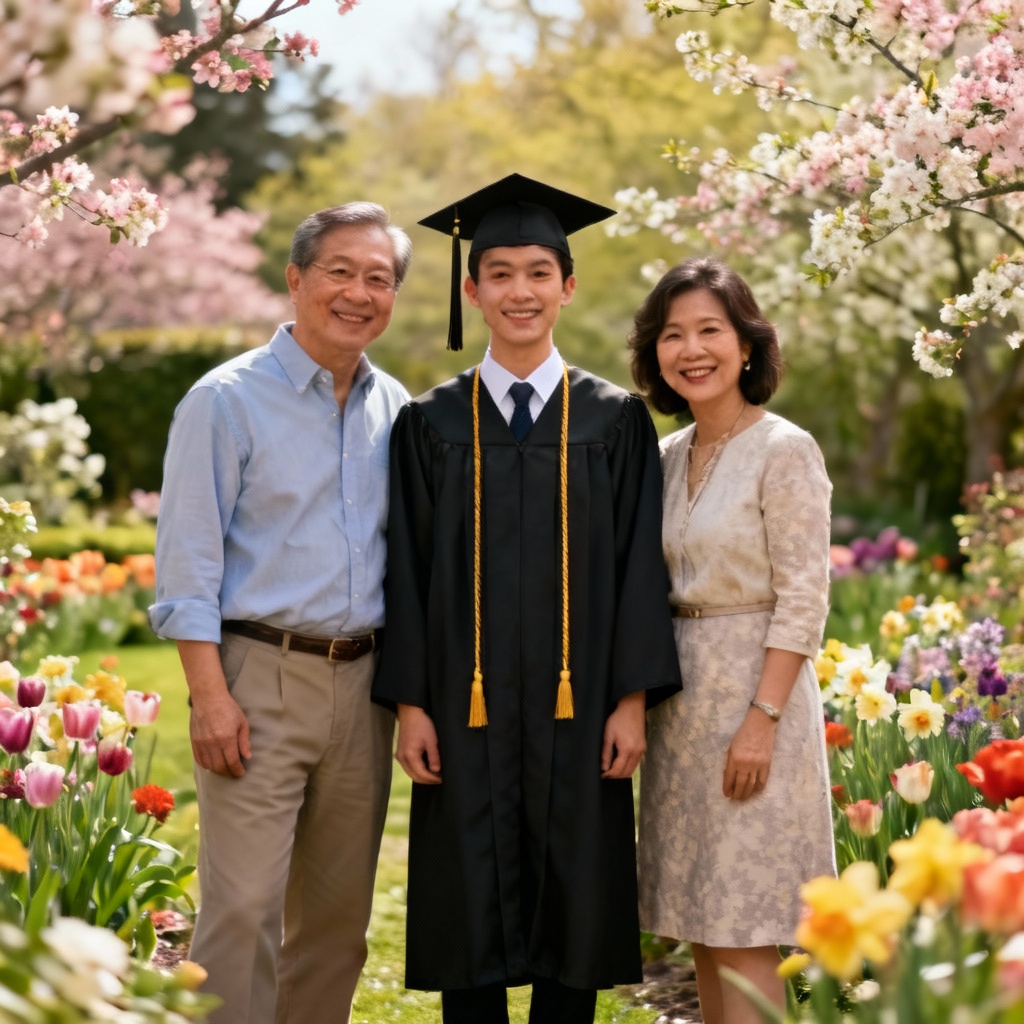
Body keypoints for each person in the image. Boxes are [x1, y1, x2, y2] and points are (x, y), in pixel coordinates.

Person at [372, 173, 681, 1024]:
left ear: (568, 287)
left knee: (572, 915)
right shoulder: (429, 425)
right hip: (460, 712)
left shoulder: (616, 423)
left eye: (538, 272)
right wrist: (409, 706)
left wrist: (630, 703)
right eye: (499, 273)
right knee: (469, 916)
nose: (519, 291)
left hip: (578, 714)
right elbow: (405, 572)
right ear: (470, 290)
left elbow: (637, 571)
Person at [149, 202, 413, 1024]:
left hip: (361, 686)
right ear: (297, 279)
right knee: (242, 912)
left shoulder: (393, 406)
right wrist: (210, 696)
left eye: (379, 278)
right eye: (340, 271)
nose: (359, 293)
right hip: (256, 682)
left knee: (337, 925)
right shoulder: (224, 401)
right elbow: (187, 562)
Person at [629, 257, 837, 1024]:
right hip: (681, 713)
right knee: (708, 932)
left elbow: (805, 598)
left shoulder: (784, 449)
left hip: (757, 705)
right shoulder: (665, 455)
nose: (692, 349)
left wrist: (763, 719)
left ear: (746, 343)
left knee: (748, 933)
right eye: (672, 334)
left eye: (709, 330)